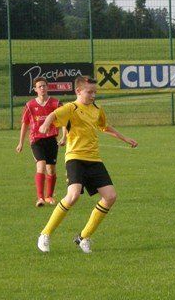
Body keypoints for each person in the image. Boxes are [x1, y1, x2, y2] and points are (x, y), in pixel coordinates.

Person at [36, 76, 138, 254]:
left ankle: (83, 237)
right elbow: (53, 115)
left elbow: (105, 127)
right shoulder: (71, 108)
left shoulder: (97, 110)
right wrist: (45, 123)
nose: (93, 95)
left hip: (94, 159)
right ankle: (45, 234)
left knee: (110, 197)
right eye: (89, 92)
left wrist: (125, 138)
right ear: (78, 91)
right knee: (73, 195)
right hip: (75, 157)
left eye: (95, 92)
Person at [15, 76, 65, 206]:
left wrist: (64, 137)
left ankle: (49, 196)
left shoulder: (55, 103)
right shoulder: (30, 105)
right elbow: (25, 124)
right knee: (41, 165)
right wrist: (20, 142)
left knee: (51, 170)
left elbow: (65, 120)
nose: (42, 88)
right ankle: (40, 198)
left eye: (44, 86)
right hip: (36, 140)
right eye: (39, 86)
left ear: (47, 87)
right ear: (35, 89)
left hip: (51, 140)